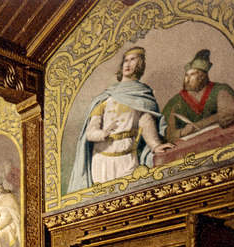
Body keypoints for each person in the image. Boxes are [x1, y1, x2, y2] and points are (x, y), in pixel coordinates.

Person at [68, 46, 174, 192]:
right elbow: (90, 133)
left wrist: (155, 145)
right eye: (125, 60)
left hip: (127, 159)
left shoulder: (141, 94)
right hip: (101, 161)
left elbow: (145, 120)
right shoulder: (107, 97)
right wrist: (103, 133)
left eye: (133, 60)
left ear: (140, 64)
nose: (128, 64)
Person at [162, 50, 234, 140]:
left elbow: (229, 111)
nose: (187, 80)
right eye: (186, 75)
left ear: (202, 77)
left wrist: (198, 125)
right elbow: (165, 133)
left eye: (192, 75)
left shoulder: (220, 90)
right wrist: (181, 132)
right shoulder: (175, 102)